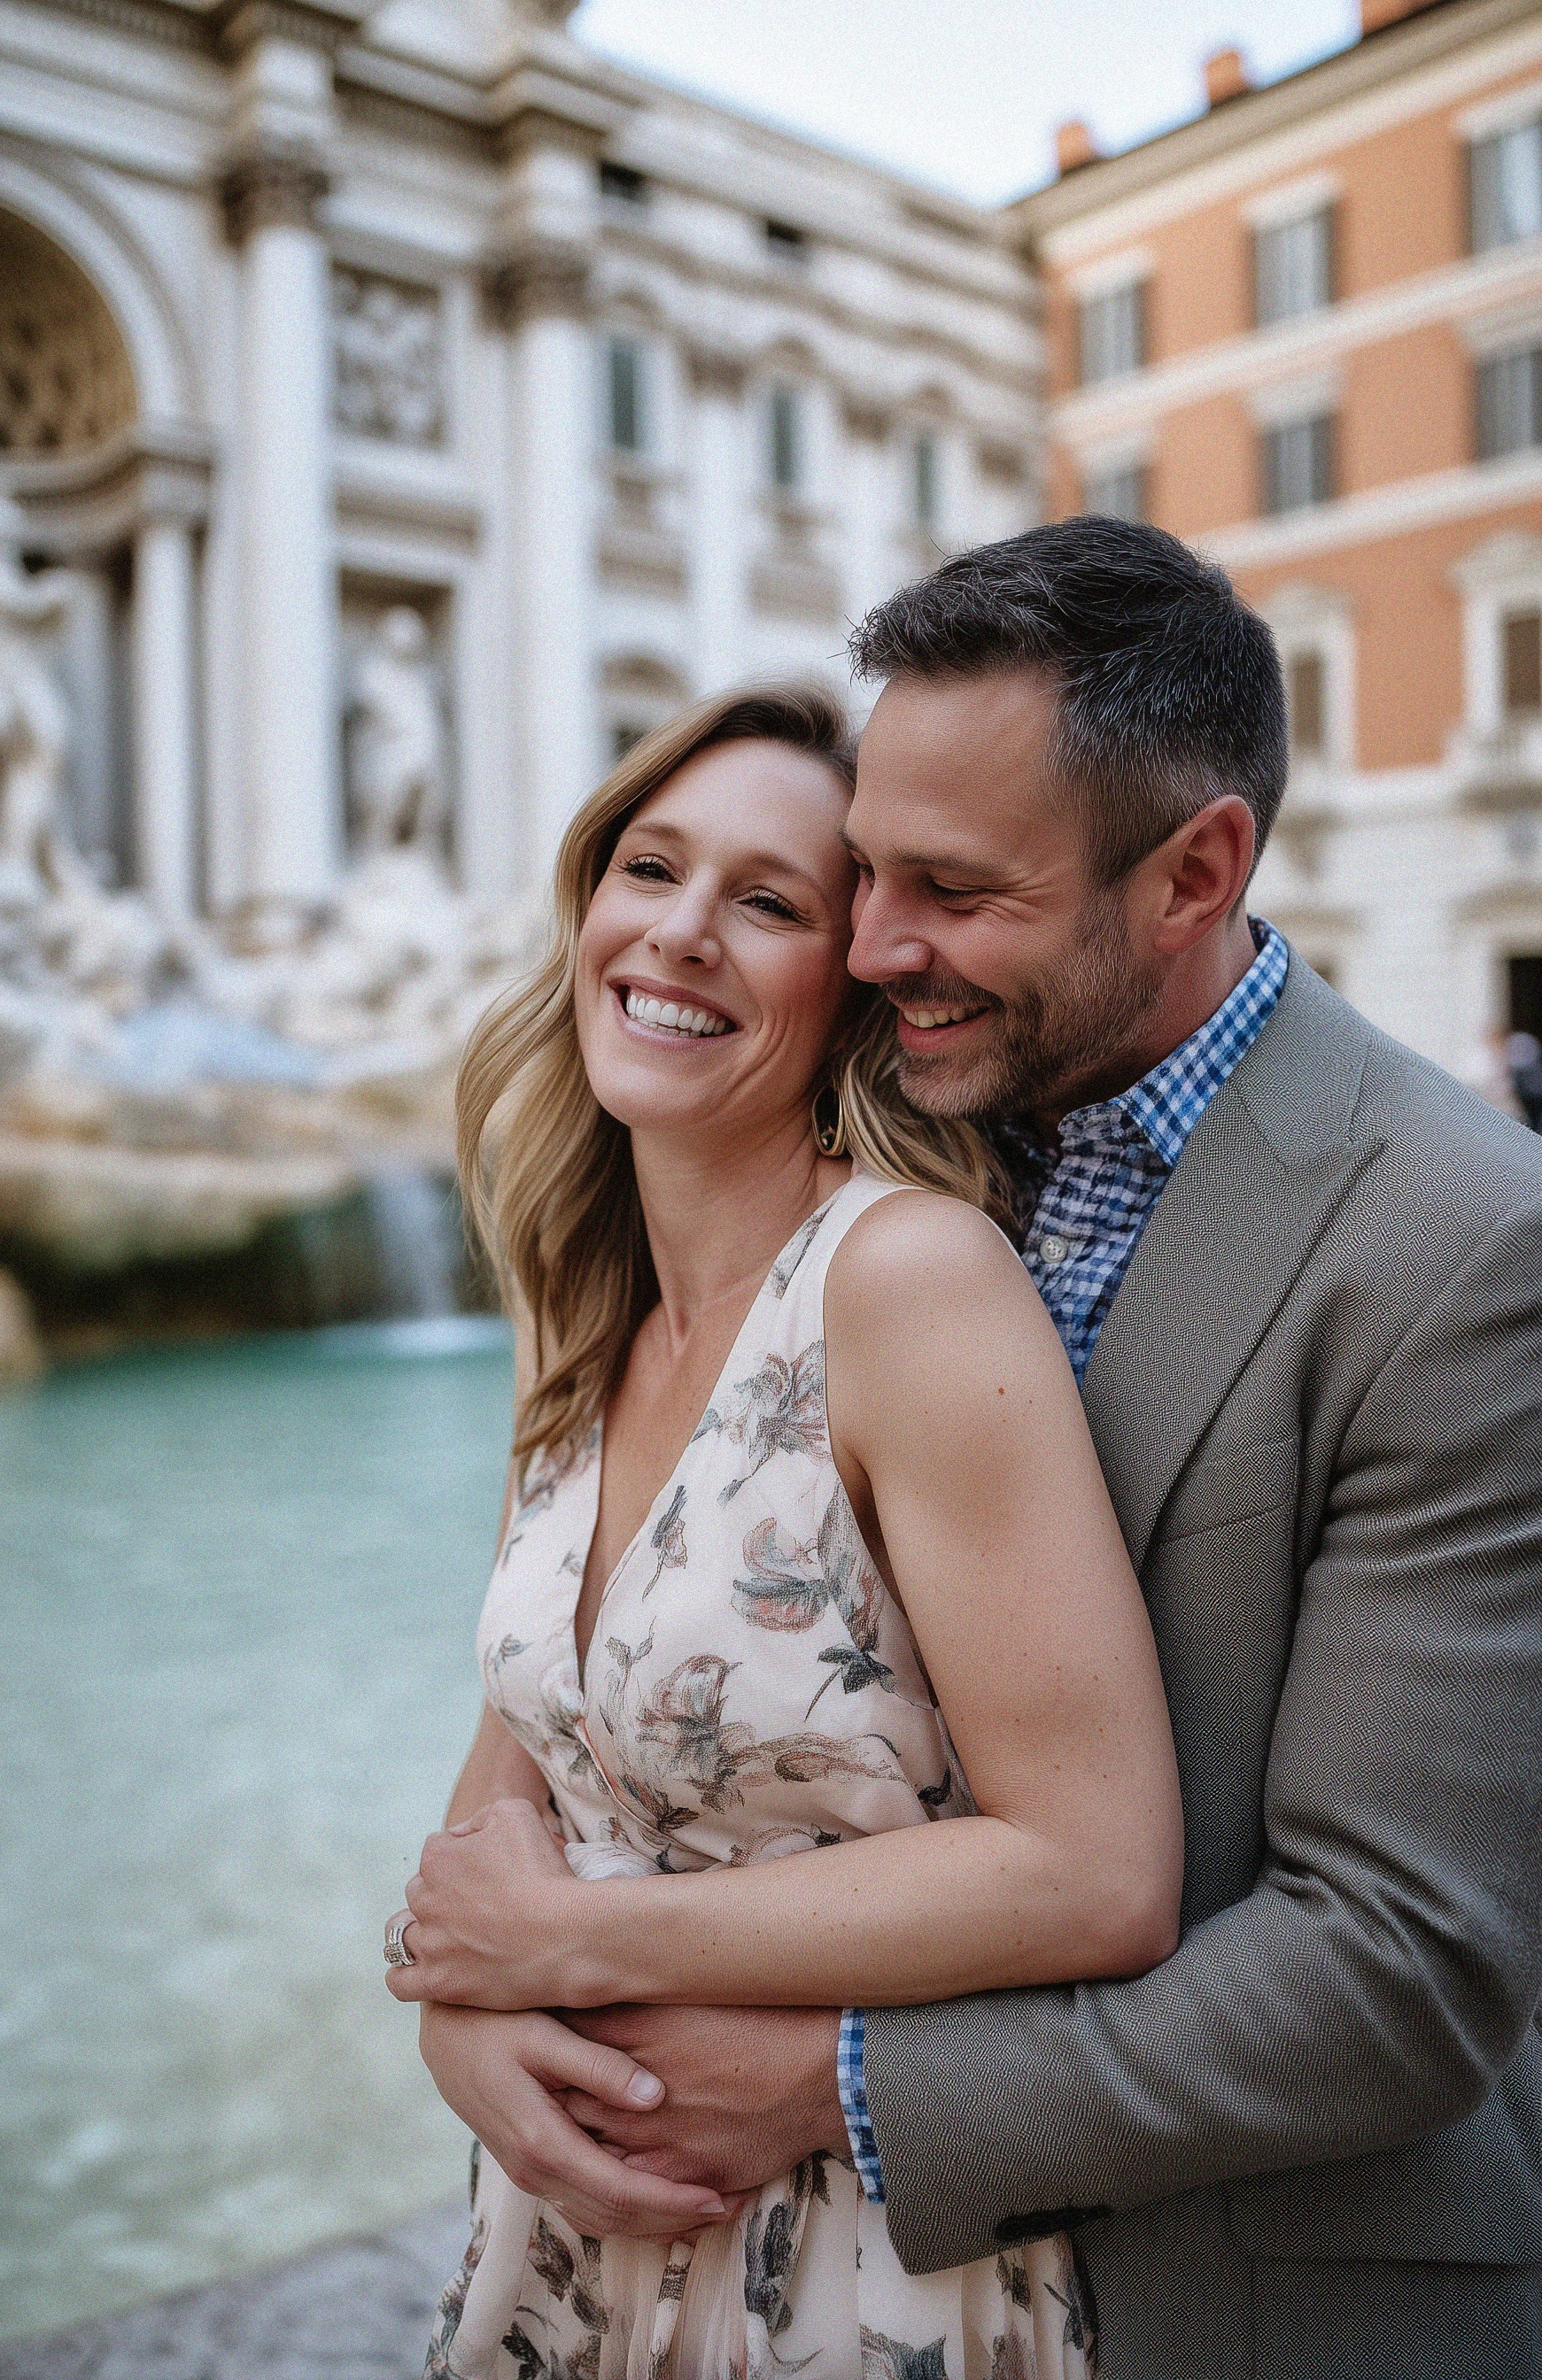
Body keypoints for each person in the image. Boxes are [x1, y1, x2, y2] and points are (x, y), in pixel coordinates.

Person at [402, 523, 1542, 2380]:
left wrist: (834, 2086)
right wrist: (467, 2005)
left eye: (940, 886)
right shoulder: (894, 1124)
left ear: (1192, 874)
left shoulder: (1464, 1245)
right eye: (853, 880)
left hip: (1242, 2301)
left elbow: (1400, 1966)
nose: (867, 947)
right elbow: (546, 1768)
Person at [389, 681, 1184, 2376]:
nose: (678, 936)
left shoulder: (909, 1284)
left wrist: (578, 1946)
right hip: (569, 2255)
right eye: (649, 869)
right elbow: (501, 1825)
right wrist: (463, 2024)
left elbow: (1100, 1870)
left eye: (766, 903)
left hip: (856, 2268)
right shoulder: (583, 1314)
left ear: (849, 991)